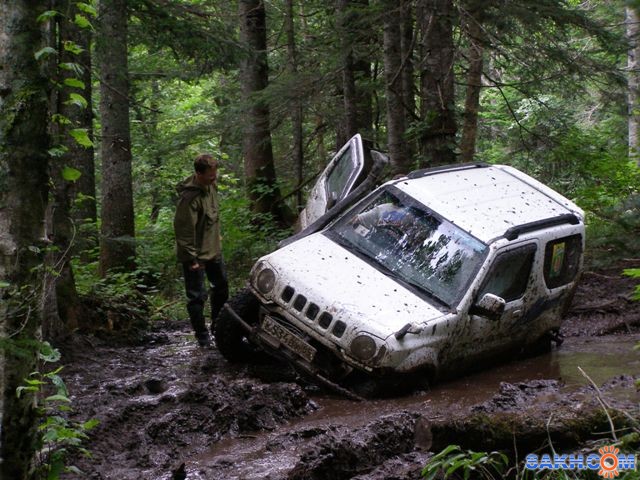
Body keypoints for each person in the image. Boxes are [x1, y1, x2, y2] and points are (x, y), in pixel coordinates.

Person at [174, 154, 229, 347]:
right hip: (195, 255)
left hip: (213, 249)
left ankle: (218, 326)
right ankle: (202, 336)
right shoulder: (190, 198)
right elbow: (183, 231)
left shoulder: (211, 185)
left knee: (222, 287)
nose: (214, 178)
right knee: (197, 296)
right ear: (198, 174)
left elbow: (212, 217)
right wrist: (191, 259)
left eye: (215, 174)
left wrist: (216, 237)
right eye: (210, 176)